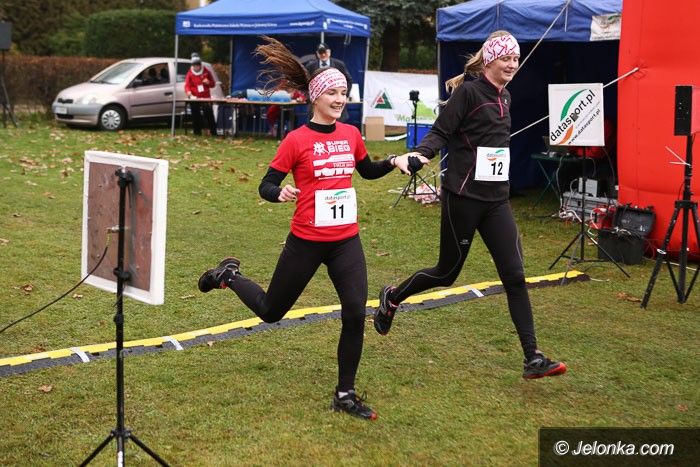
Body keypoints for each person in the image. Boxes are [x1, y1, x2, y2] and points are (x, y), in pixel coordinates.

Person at [197, 36, 429, 420]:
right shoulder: (296, 140)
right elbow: (266, 184)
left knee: (354, 312)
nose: (340, 99)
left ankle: (344, 394)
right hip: (306, 240)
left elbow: (367, 171)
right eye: (333, 92)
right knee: (271, 311)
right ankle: (229, 276)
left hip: (345, 241)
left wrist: (394, 161)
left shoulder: (350, 134)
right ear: (316, 97)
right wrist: (280, 192)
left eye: (344, 92)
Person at [373, 31, 568, 380]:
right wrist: (421, 154)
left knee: (515, 275)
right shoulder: (469, 93)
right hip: (463, 198)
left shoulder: (505, 95)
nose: (512, 64)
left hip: (496, 200)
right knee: (446, 273)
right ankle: (393, 296)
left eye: (516, 58)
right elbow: (440, 131)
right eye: (506, 58)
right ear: (490, 60)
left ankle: (532, 357)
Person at [305, 43, 353, 122]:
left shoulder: (339, 64)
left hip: (335, 110)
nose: (323, 55)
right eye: (321, 52)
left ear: (329, 52)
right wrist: (309, 98)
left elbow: (349, 80)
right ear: (317, 53)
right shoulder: (310, 66)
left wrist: (344, 94)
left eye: (325, 52)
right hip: (316, 108)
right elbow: (305, 83)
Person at [184, 53, 217, 136]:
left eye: (198, 65)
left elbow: (213, 84)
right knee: (195, 114)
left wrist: (208, 82)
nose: (196, 67)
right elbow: (187, 85)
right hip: (195, 97)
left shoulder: (206, 71)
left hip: (205, 97)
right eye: (195, 65)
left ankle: (213, 132)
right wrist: (188, 92)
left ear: (200, 65)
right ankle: (197, 132)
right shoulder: (190, 73)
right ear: (193, 66)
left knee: (209, 114)